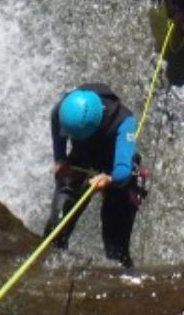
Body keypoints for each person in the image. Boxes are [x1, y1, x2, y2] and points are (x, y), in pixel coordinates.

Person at [44, 84, 145, 268]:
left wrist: (109, 179)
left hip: (114, 170)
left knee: (116, 252)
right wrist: (60, 159)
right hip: (81, 160)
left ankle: (123, 271)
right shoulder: (64, 109)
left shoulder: (124, 122)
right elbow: (55, 119)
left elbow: (123, 168)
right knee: (54, 234)